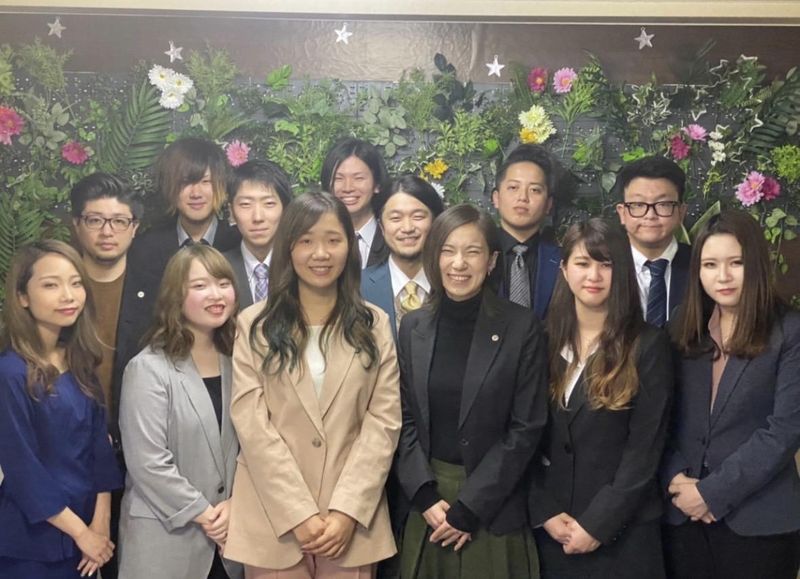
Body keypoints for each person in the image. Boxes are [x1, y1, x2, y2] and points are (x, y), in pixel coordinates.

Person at [224, 192, 401, 578]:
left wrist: (347, 510)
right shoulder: (255, 325)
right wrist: (298, 513)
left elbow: (383, 423)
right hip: (273, 520)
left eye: (333, 240)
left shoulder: (374, 325)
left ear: (349, 247)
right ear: (288, 247)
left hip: (350, 523)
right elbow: (252, 425)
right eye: (306, 241)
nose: (320, 253)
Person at [395, 204, 548, 579]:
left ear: (492, 261)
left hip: (491, 507)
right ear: (435, 257)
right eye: (448, 251)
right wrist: (424, 494)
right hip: (429, 505)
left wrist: (469, 508)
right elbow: (403, 417)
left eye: (472, 251)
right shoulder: (413, 326)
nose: (458, 263)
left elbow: (526, 428)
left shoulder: (521, 327)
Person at [529, 218, 672, 579]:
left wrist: (597, 524)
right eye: (582, 263)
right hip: (554, 530)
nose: (593, 275)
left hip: (623, 534)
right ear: (564, 269)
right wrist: (544, 511)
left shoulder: (648, 345)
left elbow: (644, 450)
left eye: (606, 264)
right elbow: (522, 435)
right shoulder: (541, 341)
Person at [662, 210, 800, 579]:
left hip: (758, 521)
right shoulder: (682, 326)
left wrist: (712, 493)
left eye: (735, 263)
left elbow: (784, 431)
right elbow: (660, 415)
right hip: (682, 515)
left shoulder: (789, 331)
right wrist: (674, 478)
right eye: (710, 264)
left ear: (755, 264)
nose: (722, 276)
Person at [117, 245, 243, 579]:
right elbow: (148, 463)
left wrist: (238, 504)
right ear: (175, 296)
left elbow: (254, 446)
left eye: (223, 283)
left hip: (232, 543)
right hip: (166, 542)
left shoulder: (241, 362)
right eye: (200, 286)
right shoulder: (148, 368)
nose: (215, 294)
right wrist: (206, 514)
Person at [0, 240, 122, 578]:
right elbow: (23, 469)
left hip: (88, 537)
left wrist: (100, 525)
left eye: (76, 283)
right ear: (22, 297)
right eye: (51, 285)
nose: (68, 296)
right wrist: (82, 533)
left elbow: (100, 448)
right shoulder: (10, 372)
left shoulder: (79, 360)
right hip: (32, 543)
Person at [69, 171, 143, 579]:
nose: (107, 231)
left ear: (135, 227)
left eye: (118, 221)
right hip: (67, 453)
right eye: (95, 220)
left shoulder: (155, 290)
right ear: (76, 224)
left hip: (137, 456)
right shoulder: (58, 290)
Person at [118, 137, 241, 379]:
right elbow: (133, 330)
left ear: (221, 185)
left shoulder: (238, 244)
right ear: (170, 187)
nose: (196, 193)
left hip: (231, 372)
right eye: (185, 182)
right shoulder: (144, 249)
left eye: (205, 182)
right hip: (162, 378)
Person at [361, 174, 445, 339]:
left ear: (435, 222)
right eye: (395, 218)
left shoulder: (452, 282)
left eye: (418, 217)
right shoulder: (358, 287)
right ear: (381, 227)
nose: (407, 228)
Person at [615, 155, 690, 327]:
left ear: (681, 212)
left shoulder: (701, 266)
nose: (650, 215)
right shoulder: (605, 267)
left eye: (663, 204)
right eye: (638, 205)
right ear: (622, 213)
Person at [490, 144, 562, 318]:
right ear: (496, 198)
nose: (523, 197)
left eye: (535, 190)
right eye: (513, 187)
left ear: (548, 204)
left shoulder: (563, 260)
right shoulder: (478, 253)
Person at [223, 159, 294, 308]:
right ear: (231, 211)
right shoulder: (218, 268)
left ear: (286, 208)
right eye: (245, 204)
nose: (257, 217)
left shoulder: (299, 266)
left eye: (269, 203)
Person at [321, 138, 389, 268]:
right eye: (338, 178)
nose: (348, 188)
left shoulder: (393, 237)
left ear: (377, 184)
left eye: (358, 178)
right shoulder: (317, 238)